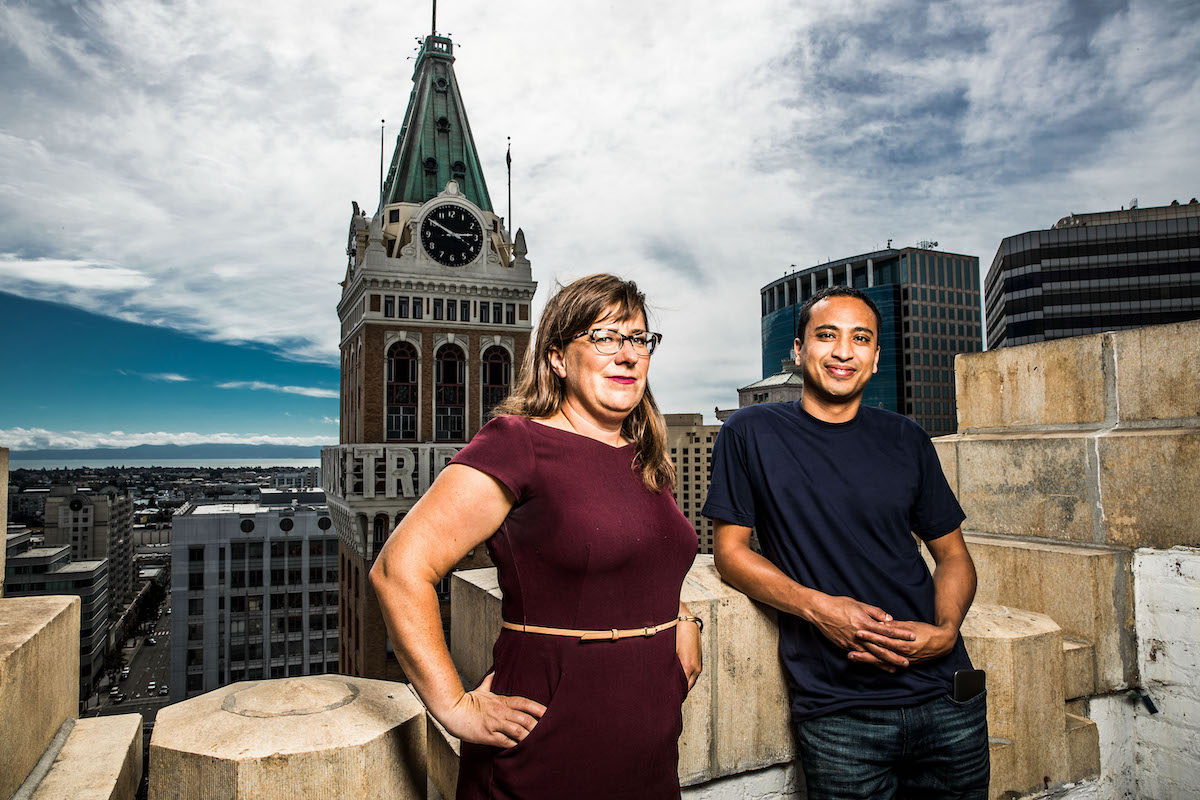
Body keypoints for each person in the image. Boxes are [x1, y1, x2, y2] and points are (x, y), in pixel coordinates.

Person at [370, 273, 702, 800]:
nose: (628, 355)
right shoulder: (518, 442)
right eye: (605, 338)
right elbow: (398, 569)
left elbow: (641, 559)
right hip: (546, 743)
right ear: (555, 358)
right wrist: (454, 706)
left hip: (651, 746)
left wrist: (681, 616)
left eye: (638, 339)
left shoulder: (643, 453)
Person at [703, 285, 989, 799]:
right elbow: (731, 553)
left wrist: (946, 632)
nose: (842, 351)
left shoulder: (906, 437)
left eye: (860, 339)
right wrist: (819, 610)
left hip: (947, 696)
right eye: (826, 336)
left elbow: (952, 557)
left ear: (876, 357)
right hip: (839, 710)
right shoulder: (750, 432)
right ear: (798, 350)